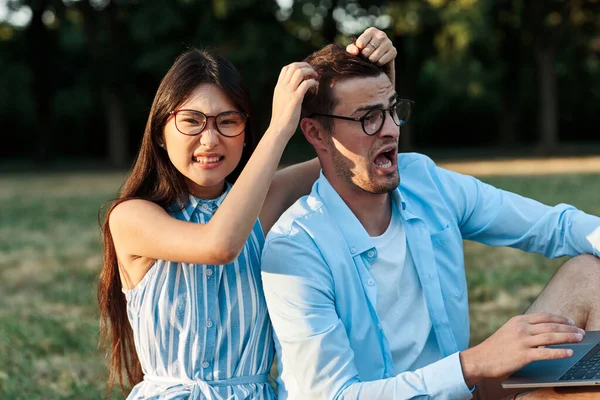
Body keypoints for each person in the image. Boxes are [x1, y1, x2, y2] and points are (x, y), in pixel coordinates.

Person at [260, 42, 600, 400]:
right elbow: (334, 396)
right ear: (315, 133)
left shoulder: (424, 181)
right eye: (368, 118)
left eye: (392, 110)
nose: (391, 129)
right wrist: (473, 363)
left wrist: (474, 368)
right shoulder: (296, 248)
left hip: (464, 390)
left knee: (588, 273)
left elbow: (555, 226)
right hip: (442, 382)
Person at [97, 29, 397, 399]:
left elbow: (352, 158)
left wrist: (380, 76)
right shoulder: (132, 217)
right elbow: (220, 244)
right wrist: (280, 128)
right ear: (160, 132)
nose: (210, 139)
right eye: (191, 121)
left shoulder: (268, 200)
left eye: (228, 121)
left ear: (244, 133)